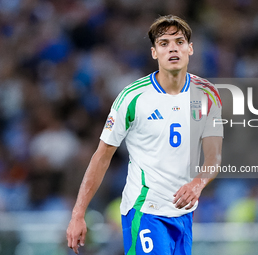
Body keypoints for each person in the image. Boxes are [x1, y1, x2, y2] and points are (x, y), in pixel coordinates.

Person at [66, 15, 223, 255]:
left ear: (190, 49)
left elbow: (214, 159)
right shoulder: (132, 97)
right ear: (154, 53)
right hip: (145, 211)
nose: (173, 48)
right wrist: (78, 214)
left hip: (183, 215)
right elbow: (101, 157)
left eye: (179, 42)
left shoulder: (207, 94)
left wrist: (197, 184)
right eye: (164, 43)